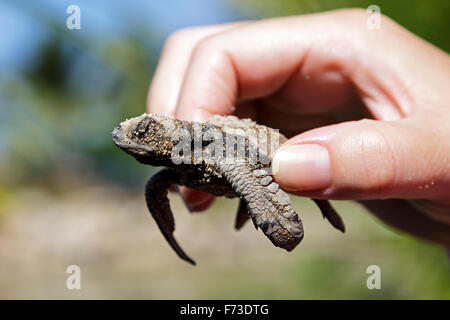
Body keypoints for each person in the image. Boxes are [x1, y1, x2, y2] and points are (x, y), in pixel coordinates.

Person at [146, 9, 450, 247]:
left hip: (258, 152)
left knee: (245, 177)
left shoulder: (211, 145)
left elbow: (242, 170)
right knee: (156, 188)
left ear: (165, 133)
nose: (126, 138)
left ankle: (309, 207)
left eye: (144, 132)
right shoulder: (174, 170)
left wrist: (278, 222)